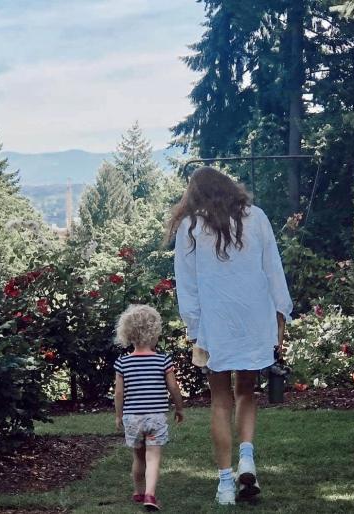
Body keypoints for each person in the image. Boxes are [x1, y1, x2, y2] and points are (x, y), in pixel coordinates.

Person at [168, 167, 292, 505]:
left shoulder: (190, 227)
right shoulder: (258, 218)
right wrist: (281, 315)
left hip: (216, 325)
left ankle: (225, 483)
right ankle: (247, 458)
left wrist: (195, 331)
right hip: (253, 321)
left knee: (220, 400)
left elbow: (188, 288)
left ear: (196, 194)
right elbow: (273, 269)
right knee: (247, 392)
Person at [114, 304, 184, 512]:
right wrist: (179, 408)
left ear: (128, 334)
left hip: (132, 418)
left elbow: (119, 393)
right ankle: (150, 495)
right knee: (153, 458)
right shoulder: (163, 360)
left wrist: (119, 416)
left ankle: (137, 491)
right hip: (155, 418)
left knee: (138, 456)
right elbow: (174, 387)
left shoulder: (122, 363)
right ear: (154, 333)